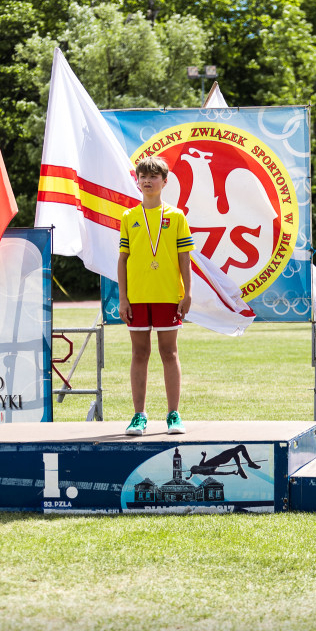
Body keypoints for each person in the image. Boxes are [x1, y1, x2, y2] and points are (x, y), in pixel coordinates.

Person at [118, 156, 194, 436]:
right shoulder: (129, 216)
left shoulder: (176, 216)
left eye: (153, 176)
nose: (147, 181)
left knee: (169, 352)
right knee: (139, 353)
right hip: (137, 296)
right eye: (143, 177)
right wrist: (123, 297)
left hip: (167, 294)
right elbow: (122, 259)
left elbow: (184, 259)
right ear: (137, 182)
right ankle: (139, 416)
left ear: (165, 181)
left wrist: (186, 293)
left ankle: (173, 415)